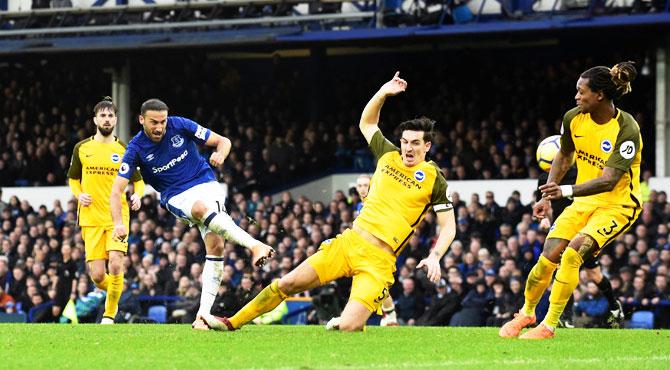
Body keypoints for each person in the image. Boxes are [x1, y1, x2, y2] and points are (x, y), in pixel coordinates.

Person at [202, 72, 456, 332]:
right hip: (349, 243)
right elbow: (367, 124)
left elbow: (448, 226)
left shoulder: (435, 179)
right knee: (288, 283)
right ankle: (231, 322)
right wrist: (382, 93)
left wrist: (435, 256)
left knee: (347, 327)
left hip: (380, 261)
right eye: (404, 142)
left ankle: (353, 321)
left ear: (427, 147)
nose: (408, 148)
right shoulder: (388, 155)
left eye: (415, 143)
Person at [500, 61, 642, 339]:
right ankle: (527, 313)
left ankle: (549, 325)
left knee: (573, 254)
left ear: (599, 95)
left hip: (617, 206)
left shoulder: (627, 129)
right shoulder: (573, 118)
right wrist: (548, 194)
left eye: (581, 92)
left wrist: (563, 192)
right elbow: (564, 155)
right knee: (547, 257)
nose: (576, 97)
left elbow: (609, 180)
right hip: (583, 203)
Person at [110, 98, 274, 330]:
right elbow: (116, 190)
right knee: (199, 208)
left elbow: (223, 141)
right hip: (176, 195)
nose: (159, 127)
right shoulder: (135, 148)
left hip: (206, 182)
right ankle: (255, 245)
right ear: (141, 120)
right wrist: (118, 223)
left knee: (216, 246)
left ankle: (202, 317)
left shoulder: (180, 125)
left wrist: (221, 154)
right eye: (154, 122)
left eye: (162, 122)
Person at [67, 97, 145, 324]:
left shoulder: (124, 149)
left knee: (117, 263)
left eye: (110, 115)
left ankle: (109, 316)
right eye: (103, 115)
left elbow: (138, 182)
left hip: (117, 217)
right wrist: (78, 194)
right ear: (95, 119)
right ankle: (118, 289)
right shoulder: (81, 148)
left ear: (116, 119)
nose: (107, 119)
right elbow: (73, 179)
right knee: (98, 276)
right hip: (90, 219)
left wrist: (138, 195)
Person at [536, 159, 623, 328]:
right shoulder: (543, 179)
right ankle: (566, 318)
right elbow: (542, 204)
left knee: (594, 275)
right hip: (563, 230)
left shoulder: (580, 173)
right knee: (562, 270)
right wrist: (544, 220)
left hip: (585, 229)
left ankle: (614, 306)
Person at [354, 173, 398, 326]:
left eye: (365, 185)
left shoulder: (378, 203)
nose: (362, 189)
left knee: (374, 284)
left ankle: (388, 316)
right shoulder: (359, 206)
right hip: (363, 250)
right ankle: (390, 316)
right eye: (359, 186)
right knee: (370, 283)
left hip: (378, 250)